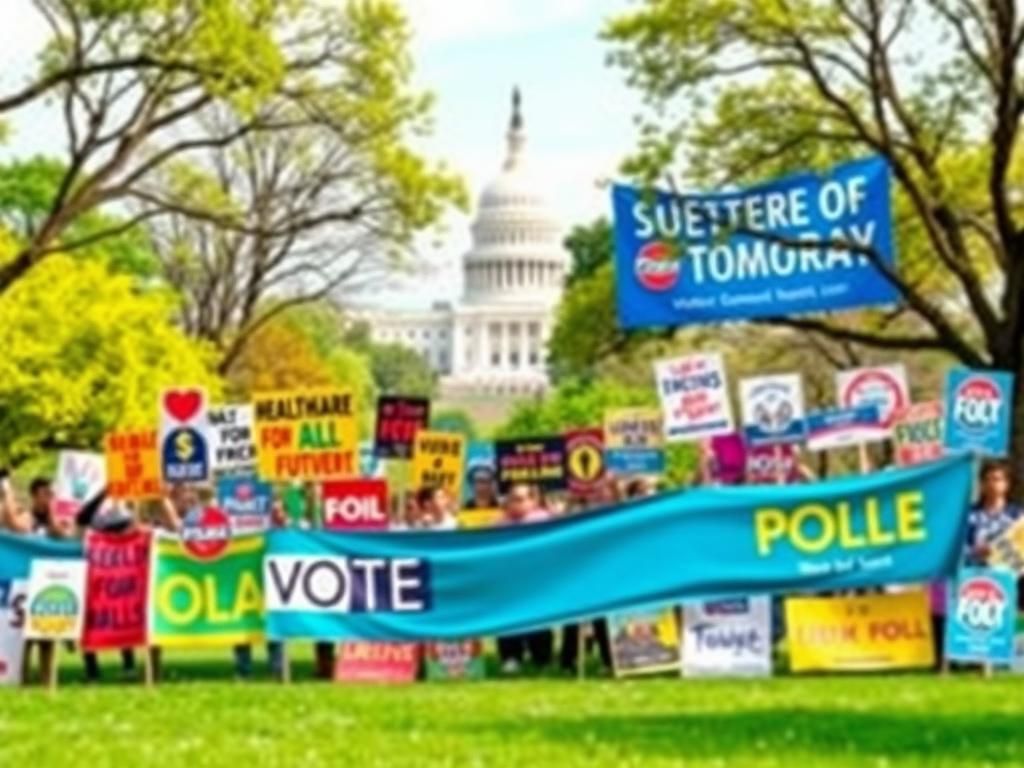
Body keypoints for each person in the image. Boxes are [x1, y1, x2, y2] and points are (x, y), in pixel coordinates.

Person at [497, 484, 554, 674]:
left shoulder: (544, 521)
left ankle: (542, 658)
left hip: (538, 580)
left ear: (533, 501)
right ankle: (511, 657)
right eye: (514, 499)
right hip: (510, 581)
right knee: (509, 619)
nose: (518, 504)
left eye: (522, 499)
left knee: (538, 619)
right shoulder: (500, 524)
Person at [964, 460, 1021, 566]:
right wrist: (975, 552)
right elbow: (956, 549)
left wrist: (998, 551)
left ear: (1007, 484)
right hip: (974, 575)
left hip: (1009, 576)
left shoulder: (1018, 516)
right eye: (986, 480)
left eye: (996, 479)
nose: (991, 484)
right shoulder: (968, 514)